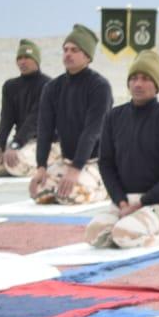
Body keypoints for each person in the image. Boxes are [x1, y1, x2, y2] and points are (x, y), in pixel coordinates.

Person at [86, 51, 159, 249]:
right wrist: (122, 202)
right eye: (134, 78)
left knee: (124, 235)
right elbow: (106, 163)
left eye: (145, 78)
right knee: (94, 236)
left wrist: (143, 202)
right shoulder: (113, 117)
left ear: (156, 85)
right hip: (124, 202)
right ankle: (135, 224)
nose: (138, 84)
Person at [30, 25, 113, 205]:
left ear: (87, 56)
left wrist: (76, 169)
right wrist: (41, 167)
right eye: (65, 49)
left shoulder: (100, 87)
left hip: (96, 161)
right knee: (39, 193)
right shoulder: (52, 88)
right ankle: (79, 181)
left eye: (74, 50)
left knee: (70, 196)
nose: (68, 54)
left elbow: (92, 131)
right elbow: (44, 129)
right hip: (67, 161)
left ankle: (105, 187)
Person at [0, 39, 50, 178]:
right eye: (19, 58)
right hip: (21, 140)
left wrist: (15, 145)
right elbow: (6, 119)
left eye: (27, 57)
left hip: (43, 141)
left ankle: (49, 165)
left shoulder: (48, 85)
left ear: (36, 60)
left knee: (15, 165)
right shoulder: (10, 86)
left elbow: (35, 119)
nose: (22, 61)